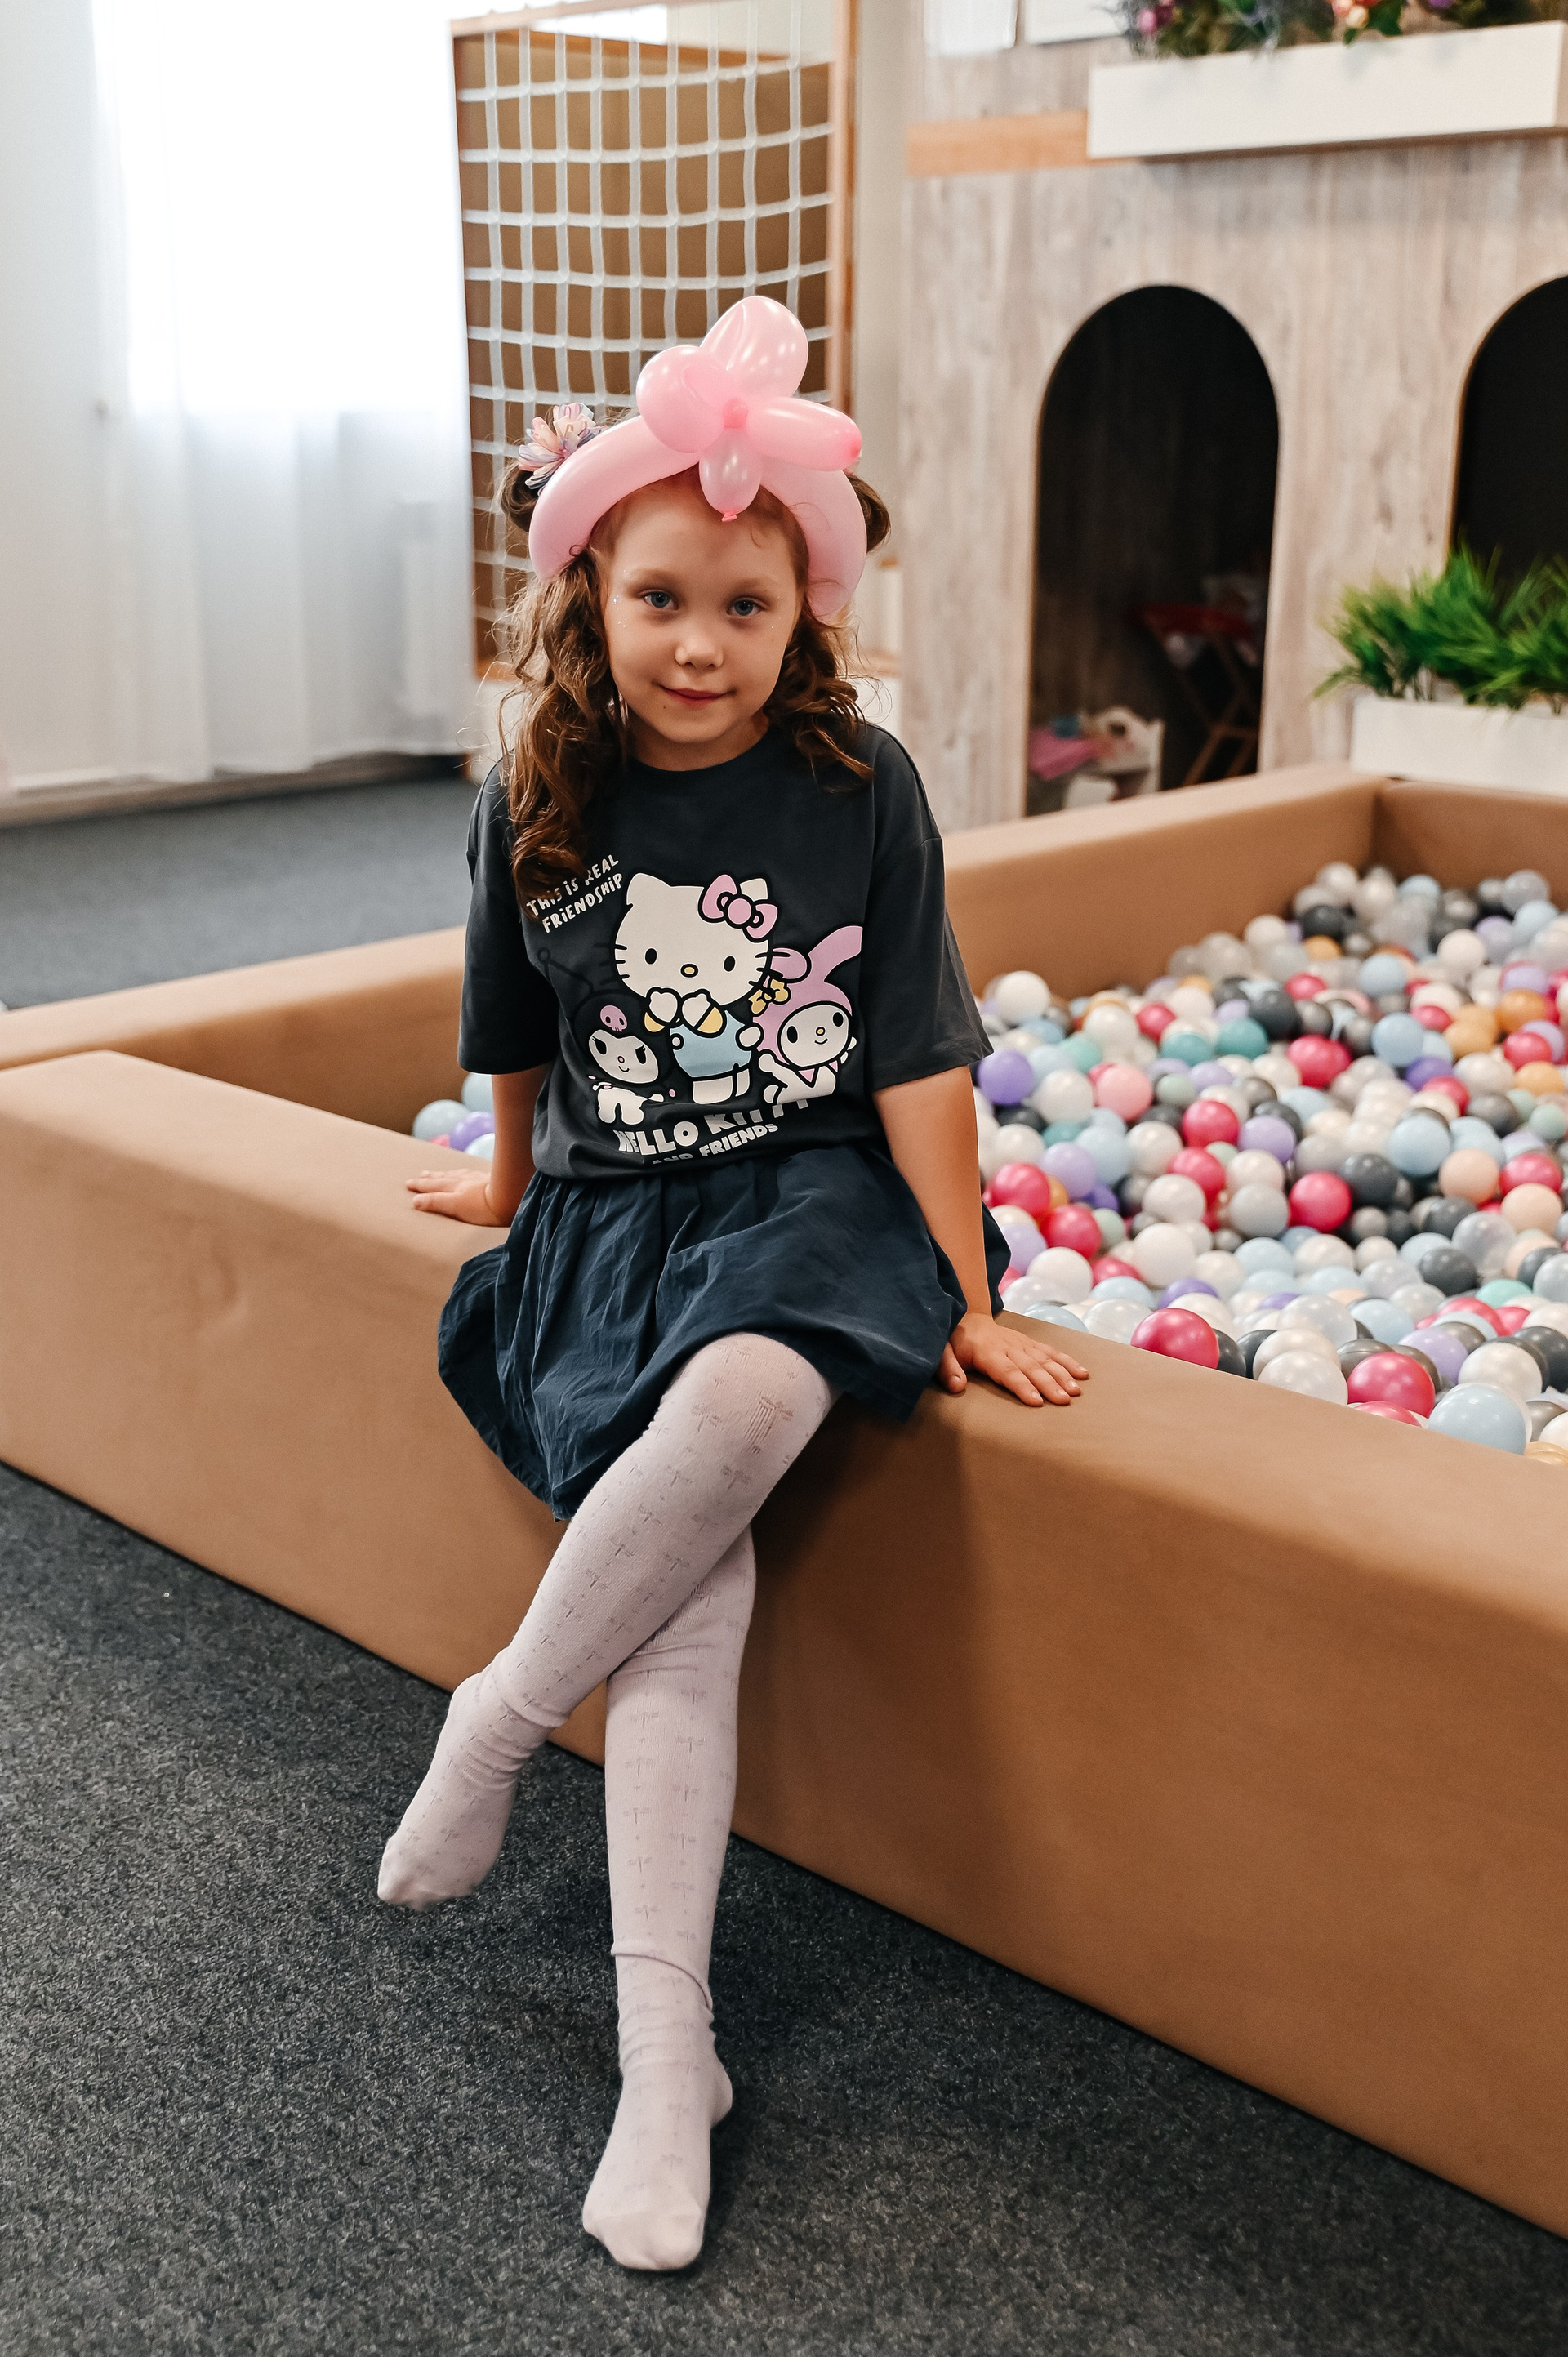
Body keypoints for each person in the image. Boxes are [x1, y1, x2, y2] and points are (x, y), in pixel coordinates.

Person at [376, 299, 1087, 2274]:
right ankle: (662, 2061)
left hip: (809, 1197)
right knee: (691, 1599)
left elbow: (918, 1053)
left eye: (745, 608)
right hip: (616, 1220)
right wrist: (503, 1184)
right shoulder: (542, 787)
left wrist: (970, 1290)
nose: (700, 645)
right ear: (592, 597)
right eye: (662, 601)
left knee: (759, 1391)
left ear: (805, 617)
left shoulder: (859, 784)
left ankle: (501, 1715)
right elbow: (508, 1022)